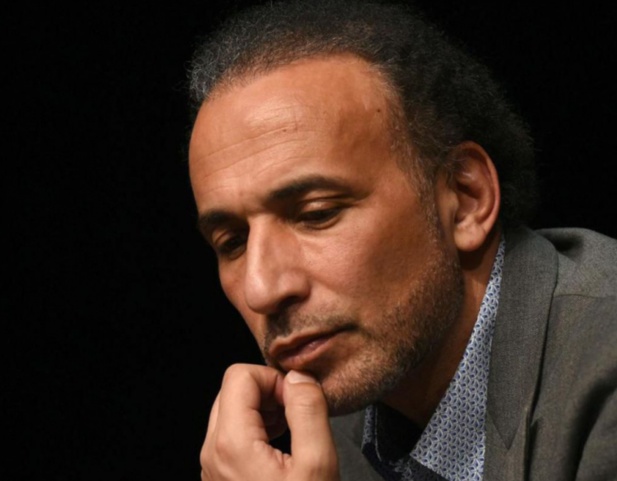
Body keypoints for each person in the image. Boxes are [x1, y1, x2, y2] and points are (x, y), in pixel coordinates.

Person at [184, 1, 617, 480]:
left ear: (465, 199)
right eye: (232, 242)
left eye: (317, 214)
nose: (262, 290)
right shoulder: (337, 427)